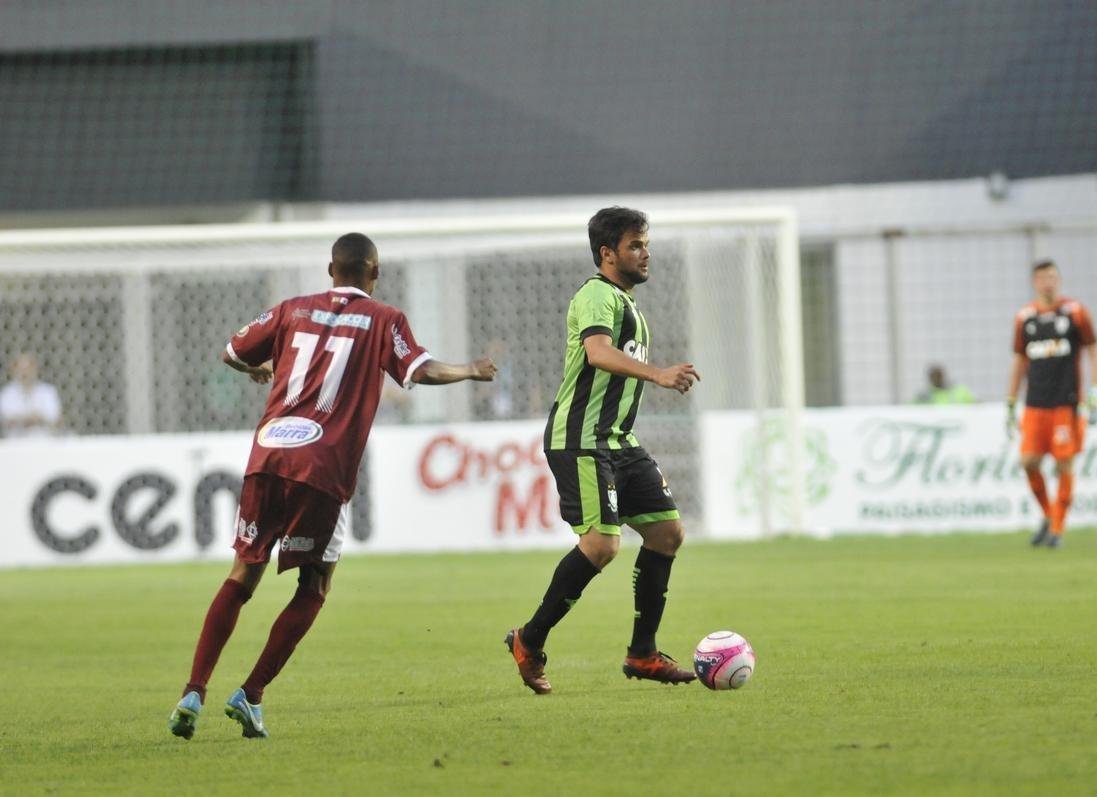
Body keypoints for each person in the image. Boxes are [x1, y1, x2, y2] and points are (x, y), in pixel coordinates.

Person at [168, 233, 497, 740]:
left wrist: (259, 369)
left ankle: (193, 690)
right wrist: (469, 370)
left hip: (267, 454)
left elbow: (231, 352)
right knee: (315, 585)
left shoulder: (291, 309)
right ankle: (250, 694)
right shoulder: (385, 319)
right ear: (376, 272)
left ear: (330, 270)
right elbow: (420, 370)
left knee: (243, 571)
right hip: (322, 466)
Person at [506, 207, 701, 694]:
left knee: (667, 534)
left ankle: (643, 653)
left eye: (646, 244)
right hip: (582, 439)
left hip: (619, 441)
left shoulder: (628, 304)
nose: (645, 252)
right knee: (602, 545)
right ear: (607, 253)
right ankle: (529, 640)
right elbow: (596, 352)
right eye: (635, 245)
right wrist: (657, 373)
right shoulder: (596, 294)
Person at [1006, 258, 1097, 549]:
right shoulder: (1025, 317)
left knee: (1064, 463)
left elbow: (1094, 351)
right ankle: (1049, 515)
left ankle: (1057, 529)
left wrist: (1095, 392)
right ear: (1034, 283)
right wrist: (1011, 401)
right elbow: (1019, 361)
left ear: (1059, 280)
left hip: (1066, 403)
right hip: (1035, 404)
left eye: (1052, 276)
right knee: (1028, 462)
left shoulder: (1075, 312)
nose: (1047, 282)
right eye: (1042, 277)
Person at [0, 352, 62, 438]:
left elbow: (55, 419)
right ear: (13, 370)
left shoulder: (48, 392)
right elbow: (5, 420)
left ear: (35, 369)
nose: (25, 373)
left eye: (28, 368)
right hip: (14, 442)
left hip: (44, 442)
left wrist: (33, 419)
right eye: (21, 369)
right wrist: (30, 418)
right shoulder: (6, 394)